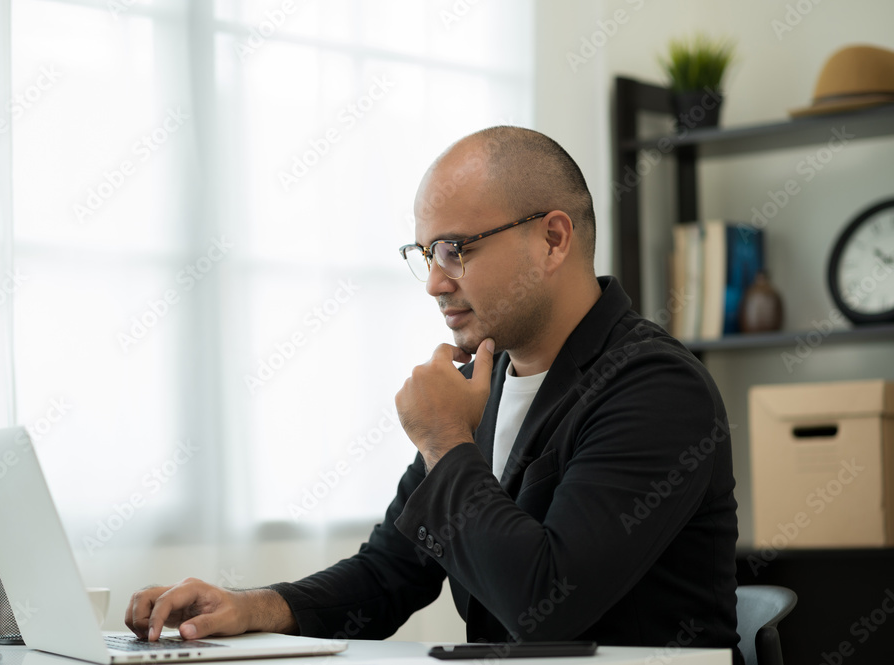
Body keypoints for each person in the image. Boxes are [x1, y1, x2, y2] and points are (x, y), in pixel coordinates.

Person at [125, 126, 742, 663]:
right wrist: (249, 608)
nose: (435, 282)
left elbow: (547, 606)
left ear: (554, 240)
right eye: (425, 254)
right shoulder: (488, 383)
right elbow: (389, 571)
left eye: (456, 249)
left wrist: (444, 439)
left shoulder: (657, 388)